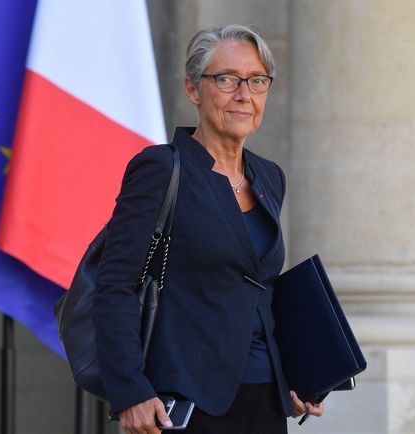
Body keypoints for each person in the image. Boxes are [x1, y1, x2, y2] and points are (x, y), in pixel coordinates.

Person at [92, 24, 324, 434]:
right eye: (226, 79)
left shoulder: (269, 177)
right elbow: (114, 286)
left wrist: (295, 373)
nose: (244, 95)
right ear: (193, 90)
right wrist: (129, 390)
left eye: (256, 81)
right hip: (187, 400)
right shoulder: (161, 169)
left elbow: (258, 289)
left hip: (266, 399)